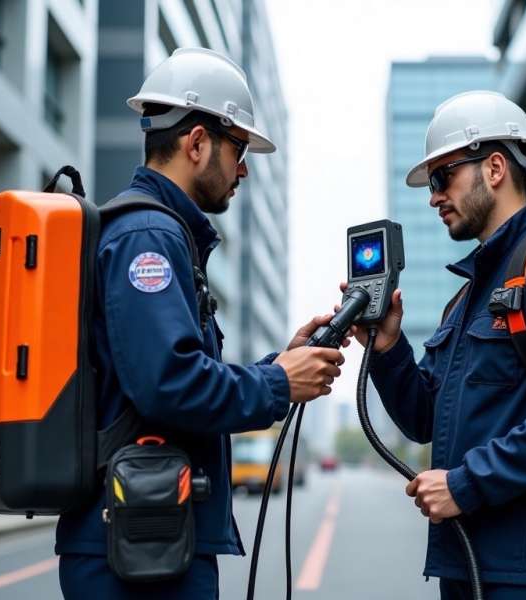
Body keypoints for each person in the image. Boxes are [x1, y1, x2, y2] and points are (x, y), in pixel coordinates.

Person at [56, 47, 344, 599]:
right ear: (196, 143)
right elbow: (169, 384)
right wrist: (279, 382)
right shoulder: (149, 236)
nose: (243, 169)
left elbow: (169, 374)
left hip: (146, 536)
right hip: (136, 548)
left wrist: (280, 364)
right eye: (239, 149)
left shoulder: (160, 233)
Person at [348, 91, 526, 600]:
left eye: (441, 178)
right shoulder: (468, 297)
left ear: (494, 168)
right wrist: (387, 348)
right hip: (468, 563)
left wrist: (464, 485)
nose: (433, 197)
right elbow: (425, 418)